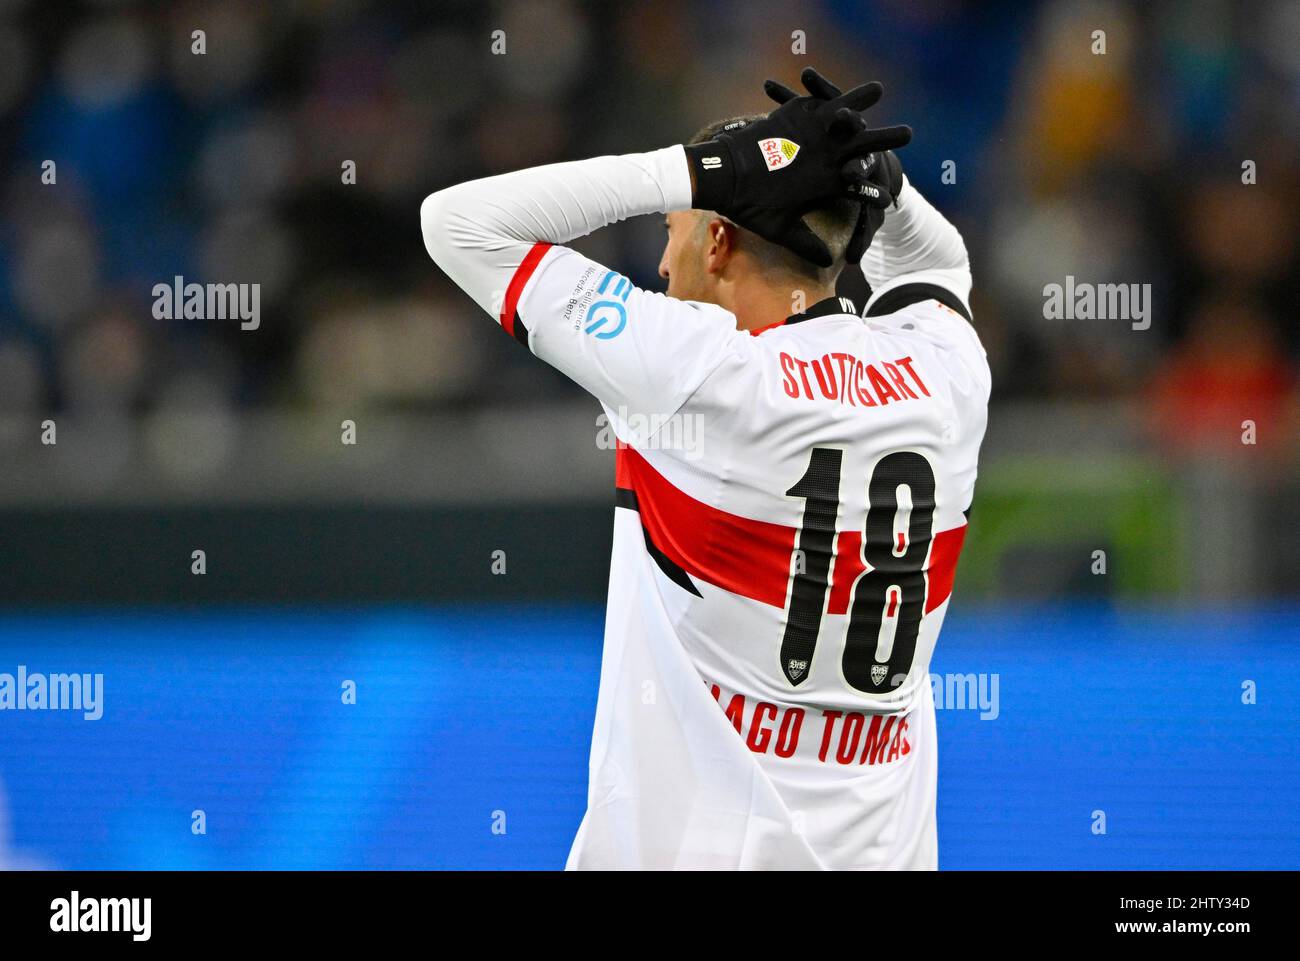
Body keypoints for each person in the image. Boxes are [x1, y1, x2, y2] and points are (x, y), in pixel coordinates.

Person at [421, 69, 990, 869]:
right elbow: (939, 262)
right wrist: (870, 177)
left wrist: (699, 168)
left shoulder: (698, 372)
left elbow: (457, 223)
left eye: (673, 227)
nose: (660, 263)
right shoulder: (945, 374)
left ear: (717, 239)